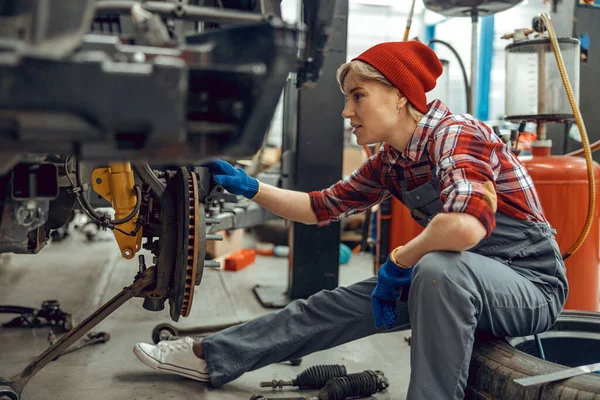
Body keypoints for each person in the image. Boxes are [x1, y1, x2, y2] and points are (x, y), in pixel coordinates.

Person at [133, 41, 567, 399]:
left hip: (528, 286)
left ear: (399, 95)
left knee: (436, 269)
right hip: (458, 277)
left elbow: (466, 225)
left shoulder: (455, 134)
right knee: (330, 306)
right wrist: (249, 186)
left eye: (358, 96)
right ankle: (213, 356)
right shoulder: (392, 162)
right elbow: (316, 207)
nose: (346, 112)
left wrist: (400, 262)